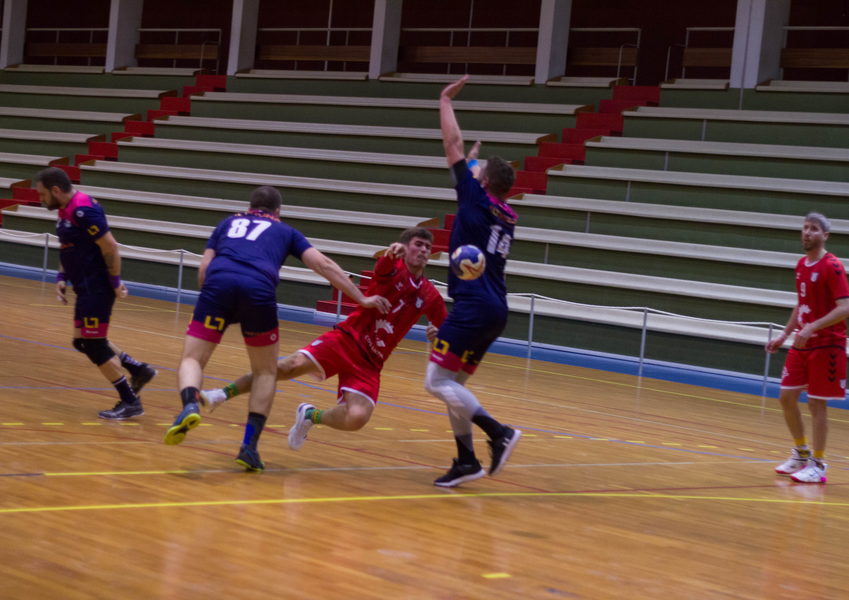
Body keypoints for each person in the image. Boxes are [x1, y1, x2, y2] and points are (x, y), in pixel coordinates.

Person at [163, 186, 390, 471]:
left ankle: (190, 404)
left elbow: (203, 270)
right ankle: (249, 447)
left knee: (193, 358)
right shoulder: (286, 231)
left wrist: (215, 303)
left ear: (250, 207)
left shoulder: (227, 223)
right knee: (265, 371)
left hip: (218, 285)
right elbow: (324, 265)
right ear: (277, 211)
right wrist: (361, 298)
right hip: (258, 289)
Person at [201, 228, 447, 455]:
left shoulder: (430, 295)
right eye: (418, 244)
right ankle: (221, 394)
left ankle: (310, 416)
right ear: (405, 247)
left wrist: (439, 336)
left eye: (428, 246)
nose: (424, 250)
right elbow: (383, 267)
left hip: (371, 362)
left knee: (357, 418)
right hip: (346, 340)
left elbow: (448, 330)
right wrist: (391, 255)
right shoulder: (393, 269)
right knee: (286, 367)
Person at [423, 75, 522, 488]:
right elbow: (474, 171)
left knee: (435, 381)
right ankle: (466, 461)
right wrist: (475, 165)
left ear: (482, 183)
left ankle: (499, 433)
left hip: (473, 305)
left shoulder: (474, 196)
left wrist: (445, 100)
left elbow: (453, 145)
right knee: (454, 386)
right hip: (496, 309)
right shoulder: (506, 214)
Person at [38, 167, 157, 420]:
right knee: (81, 342)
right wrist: (61, 278)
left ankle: (130, 401)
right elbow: (68, 246)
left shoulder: (83, 210)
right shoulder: (65, 209)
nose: (41, 199)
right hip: (84, 287)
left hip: (97, 287)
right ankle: (138, 370)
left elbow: (110, 246)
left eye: (42, 194)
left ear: (55, 190)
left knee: (93, 344)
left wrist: (114, 282)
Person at [766, 212, 849, 484]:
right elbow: (801, 303)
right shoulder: (801, 265)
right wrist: (784, 334)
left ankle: (819, 464)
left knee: (815, 403)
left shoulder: (832, 266)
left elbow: (845, 307)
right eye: (805, 227)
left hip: (827, 344)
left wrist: (813, 326)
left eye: (813, 229)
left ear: (825, 235)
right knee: (786, 397)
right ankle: (802, 453)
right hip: (802, 343)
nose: (807, 232)